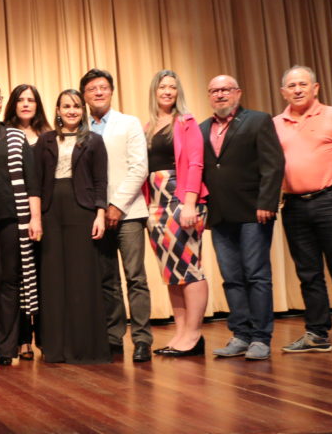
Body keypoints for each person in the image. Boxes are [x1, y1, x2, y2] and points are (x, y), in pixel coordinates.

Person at [201, 74, 284, 360]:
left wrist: (267, 202)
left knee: (256, 275)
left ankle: (261, 337)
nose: (220, 94)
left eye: (226, 89)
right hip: (220, 215)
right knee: (231, 277)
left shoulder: (259, 120)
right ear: (209, 95)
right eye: (214, 90)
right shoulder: (201, 129)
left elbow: (273, 164)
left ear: (238, 92)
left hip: (253, 212)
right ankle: (241, 334)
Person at [273, 65, 332, 355]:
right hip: (294, 206)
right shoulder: (275, 123)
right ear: (283, 92)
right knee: (308, 273)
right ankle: (317, 334)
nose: (297, 89)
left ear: (316, 88)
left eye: (303, 84)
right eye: (291, 86)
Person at [79, 68, 152, 362]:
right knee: (107, 280)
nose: (99, 92)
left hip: (129, 213)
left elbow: (139, 168)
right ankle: (113, 337)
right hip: (95, 215)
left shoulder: (129, 123)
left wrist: (117, 205)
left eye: (104, 87)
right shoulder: (79, 126)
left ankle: (143, 339)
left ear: (111, 91)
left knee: (135, 277)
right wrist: (99, 209)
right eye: (92, 89)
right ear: (83, 95)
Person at [36, 89, 109, 364]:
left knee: (82, 278)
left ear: (83, 110)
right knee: (53, 278)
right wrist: (36, 216)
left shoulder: (94, 140)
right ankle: (55, 348)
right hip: (51, 211)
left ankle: (85, 348)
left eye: (76, 106)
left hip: (83, 211)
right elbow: (37, 181)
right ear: (57, 110)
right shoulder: (44, 140)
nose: (71, 111)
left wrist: (100, 214)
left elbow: (101, 181)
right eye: (66, 106)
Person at [0, 79, 42, 366]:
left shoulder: (15, 135)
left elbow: (32, 181)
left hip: (14, 219)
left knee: (11, 282)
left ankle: (7, 348)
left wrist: (35, 218)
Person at [143, 70, 209, 357]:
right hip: (156, 204)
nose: (167, 91)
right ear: (155, 91)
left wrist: (190, 204)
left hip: (180, 199)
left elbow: (195, 164)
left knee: (190, 267)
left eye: (172, 87)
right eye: (162, 87)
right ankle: (180, 334)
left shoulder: (186, 122)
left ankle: (194, 335)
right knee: (171, 272)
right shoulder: (148, 126)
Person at [3, 83, 51, 360]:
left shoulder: (48, 134)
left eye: (31, 100)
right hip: (18, 214)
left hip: (48, 212)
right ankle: (23, 340)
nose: (25, 104)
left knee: (45, 277)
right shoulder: (4, 133)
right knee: (20, 278)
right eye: (20, 100)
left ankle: (46, 336)